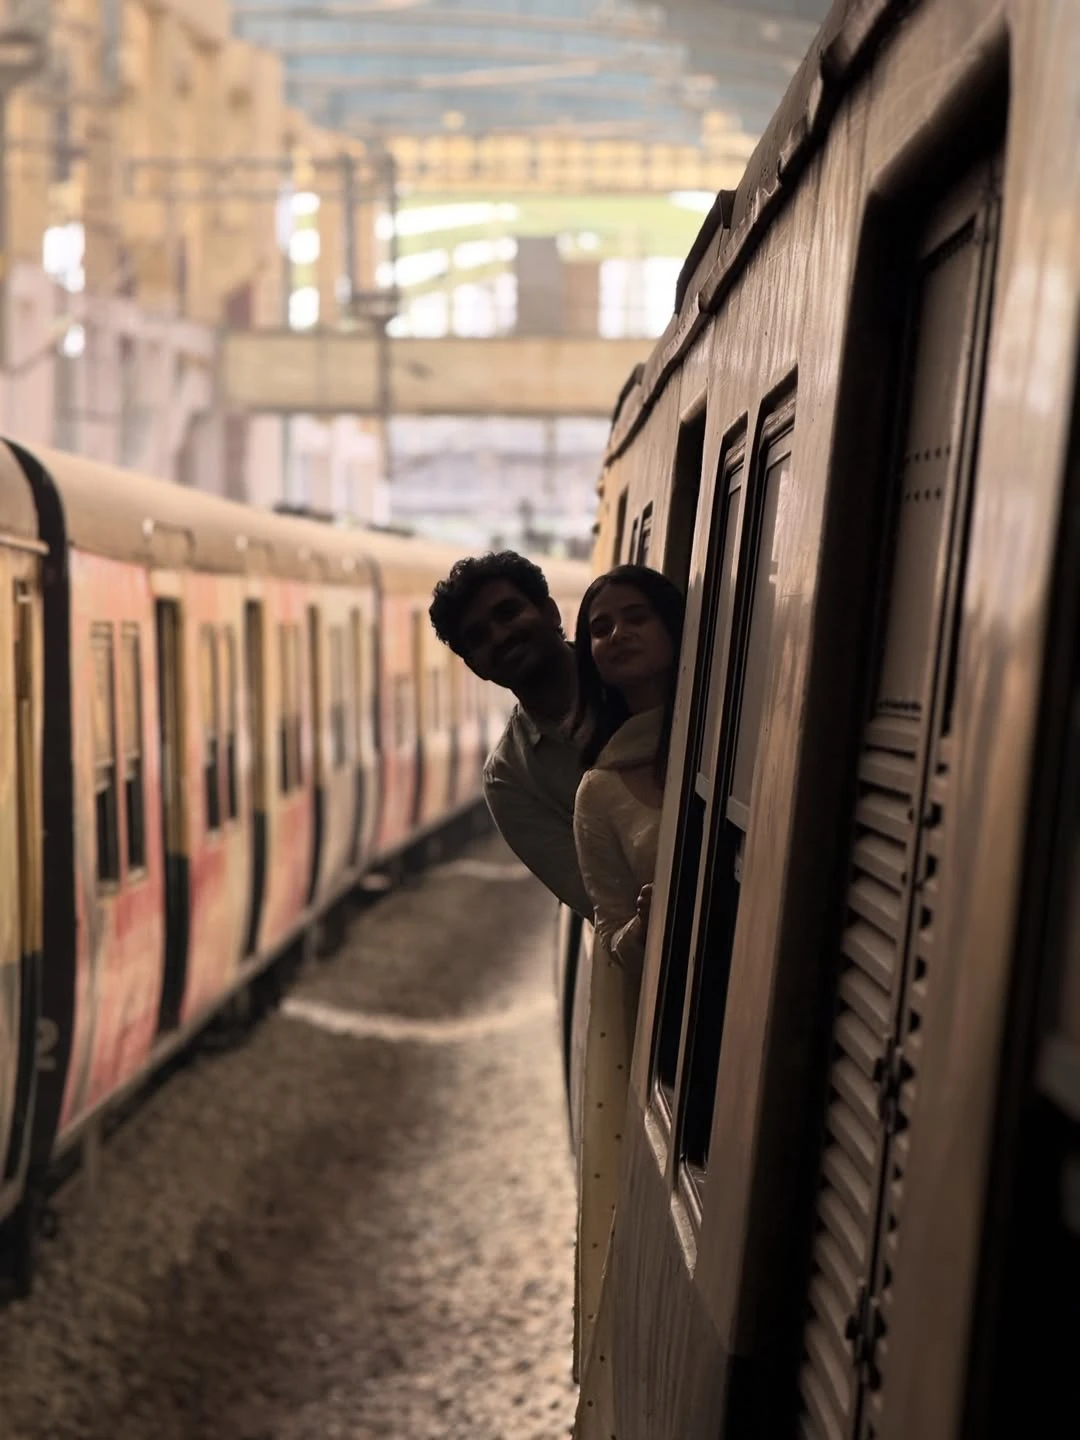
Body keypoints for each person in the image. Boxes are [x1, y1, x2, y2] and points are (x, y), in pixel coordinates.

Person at [568, 563, 685, 1439]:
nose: (618, 635)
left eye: (635, 616)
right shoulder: (598, 791)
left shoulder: (727, 731)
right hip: (684, 1037)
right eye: (600, 628)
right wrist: (649, 925)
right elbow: (613, 938)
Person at [428, 551, 593, 922]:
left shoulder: (631, 675)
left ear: (551, 612)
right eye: (479, 637)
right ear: (476, 667)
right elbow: (596, 898)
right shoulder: (508, 780)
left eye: (508, 613)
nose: (500, 636)